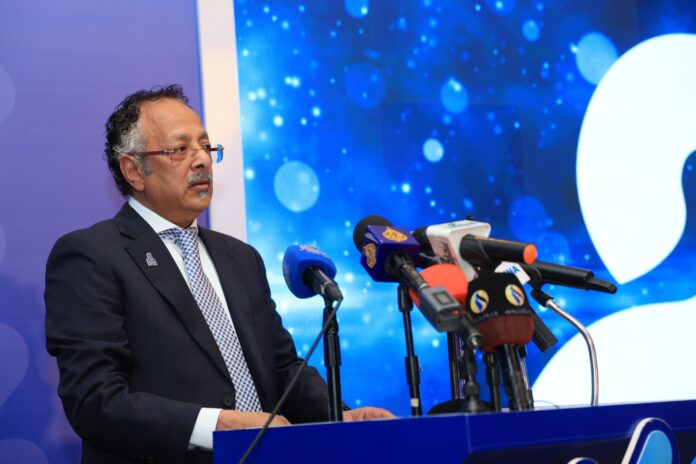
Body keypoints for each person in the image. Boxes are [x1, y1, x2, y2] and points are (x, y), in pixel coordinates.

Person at [45, 85, 393, 463]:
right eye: (180, 150)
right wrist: (217, 424)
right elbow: (95, 401)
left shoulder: (239, 258)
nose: (201, 161)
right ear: (134, 170)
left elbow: (281, 369)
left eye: (205, 146)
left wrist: (339, 415)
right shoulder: (91, 255)